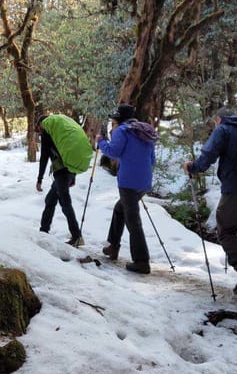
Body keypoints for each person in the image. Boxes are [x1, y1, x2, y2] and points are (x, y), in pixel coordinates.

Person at [182, 108, 237, 299]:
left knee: (226, 231)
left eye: (215, 122)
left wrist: (192, 167)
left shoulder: (224, 129)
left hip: (236, 190)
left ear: (218, 119)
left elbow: (208, 155)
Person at [95, 103, 158, 274]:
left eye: (114, 119)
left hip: (128, 182)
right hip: (144, 182)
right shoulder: (144, 130)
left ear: (119, 119)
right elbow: (152, 160)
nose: (113, 122)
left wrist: (101, 142)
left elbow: (113, 152)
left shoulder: (122, 131)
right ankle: (113, 246)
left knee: (133, 221)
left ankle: (141, 261)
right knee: (120, 209)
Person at [36, 113, 86, 247]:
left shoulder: (48, 134)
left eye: (39, 128)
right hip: (68, 171)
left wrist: (39, 179)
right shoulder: (60, 135)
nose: (40, 131)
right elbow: (68, 153)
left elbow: (44, 158)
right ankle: (44, 231)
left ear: (43, 125)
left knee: (64, 202)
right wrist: (73, 175)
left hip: (61, 172)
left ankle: (76, 235)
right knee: (51, 199)